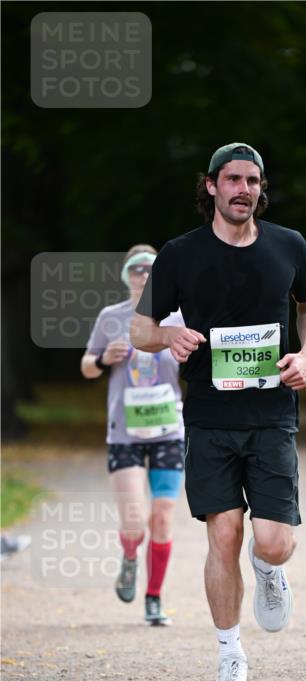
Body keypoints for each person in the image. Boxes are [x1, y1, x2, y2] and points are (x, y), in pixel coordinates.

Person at [130, 142, 306, 681]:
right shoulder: (180, 254)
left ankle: (269, 570)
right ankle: (229, 659)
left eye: (254, 181)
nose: (244, 189)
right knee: (224, 532)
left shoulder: (289, 245)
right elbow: (140, 331)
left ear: (262, 189)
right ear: (211, 186)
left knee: (273, 541)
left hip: (272, 415)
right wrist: (169, 335)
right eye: (233, 180)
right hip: (211, 417)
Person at [81, 244, 186, 625]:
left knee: (162, 518)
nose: (143, 275)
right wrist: (102, 359)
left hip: (168, 431)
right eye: (135, 269)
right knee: (134, 521)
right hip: (124, 433)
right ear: (126, 276)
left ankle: (154, 597)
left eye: (150, 268)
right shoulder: (112, 317)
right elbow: (86, 366)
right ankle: (129, 556)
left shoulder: (178, 315)